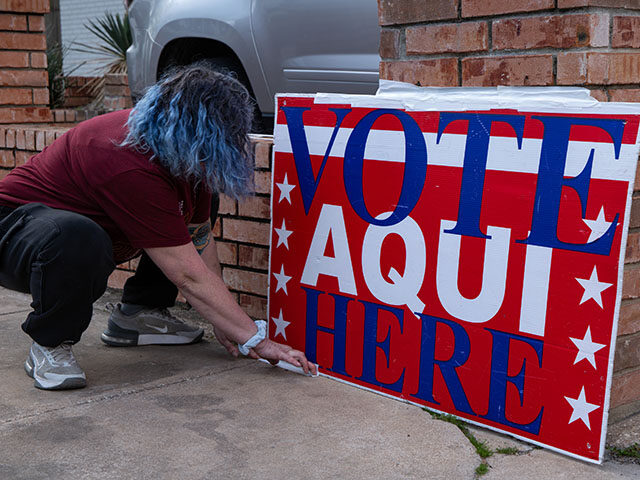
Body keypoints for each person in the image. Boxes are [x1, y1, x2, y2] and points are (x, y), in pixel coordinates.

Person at [0, 64, 316, 390]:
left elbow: (199, 242)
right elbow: (187, 273)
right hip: (15, 234)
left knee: (186, 212)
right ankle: (49, 343)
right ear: (197, 128)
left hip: (76, 233)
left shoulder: (187, 155)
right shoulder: (124, 157)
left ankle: (139, 314)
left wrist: (225, 321)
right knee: (79, 236)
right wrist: (257, 340)